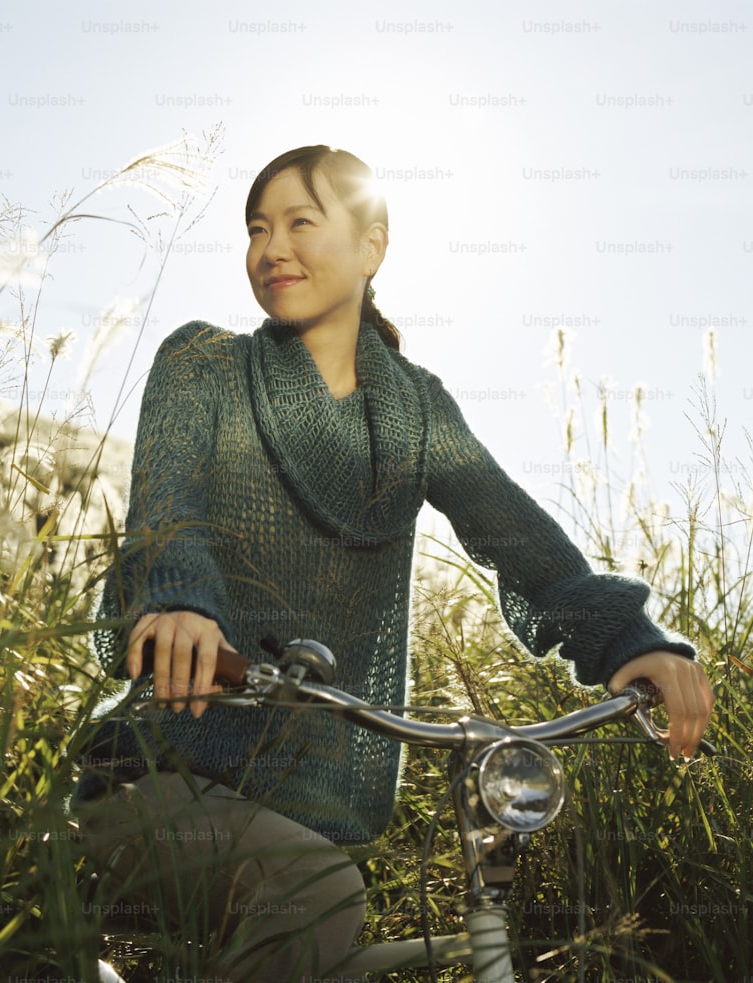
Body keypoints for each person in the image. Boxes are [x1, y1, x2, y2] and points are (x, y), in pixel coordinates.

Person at [76, 145, 715, 981]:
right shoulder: (204, 366)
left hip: (319, 817)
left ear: (372, 245)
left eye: (301, 222)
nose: (271, 248)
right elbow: (168, 520)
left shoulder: (416, 411)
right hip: (152, 782)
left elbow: (520, 536)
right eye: (257, 229)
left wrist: (629, 639)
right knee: (315, 892)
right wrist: (180, 605)